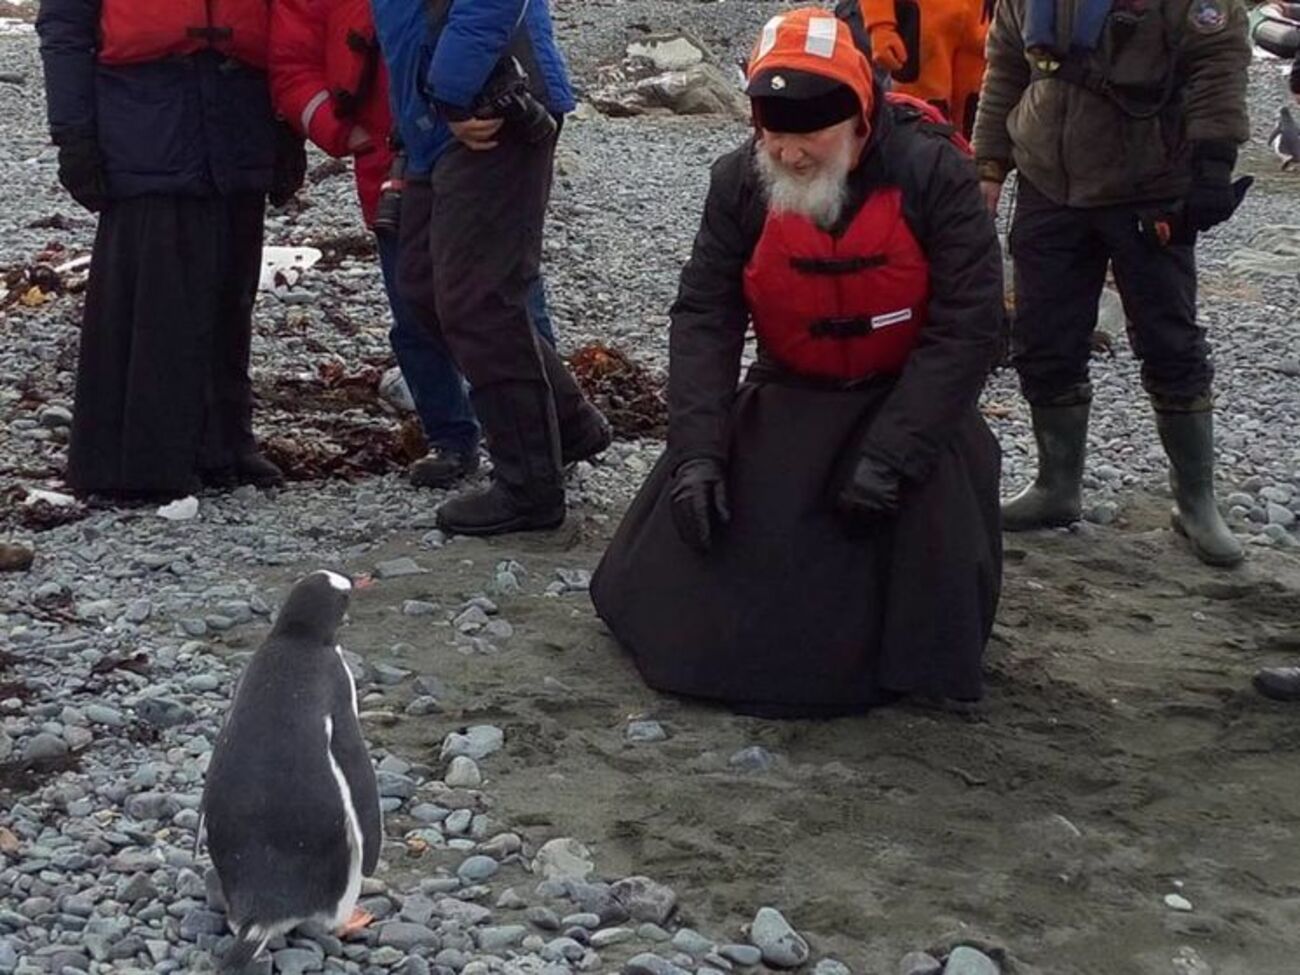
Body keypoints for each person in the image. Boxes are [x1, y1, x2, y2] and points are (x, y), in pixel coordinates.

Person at [590, 8, 1004, 718]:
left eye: (810, 132)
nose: (790, 153)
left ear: (860, 120)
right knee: (697, 574)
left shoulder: (935, 173)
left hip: (905, 401)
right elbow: (704, 318)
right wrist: (697, 453)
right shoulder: (738, 184)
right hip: (789, 394)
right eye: (773, 132)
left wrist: (893, 455)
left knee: (926, 558)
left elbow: (970, 327)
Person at [973, 0, 1252, 567]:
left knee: (1171, 340)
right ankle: (1056, 487)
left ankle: (1195, 502)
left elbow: (1218, 61)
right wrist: (988, 167)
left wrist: (1214, 165)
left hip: (1148, 185)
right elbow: (1005, 63)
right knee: (1043, 337)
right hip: (1047, 183)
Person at [268, 0, 562, 489]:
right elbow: (292, 68)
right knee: (417, 300)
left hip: (466, 126)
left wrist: (454, 98)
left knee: (501, 295)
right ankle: (454, 436)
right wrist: (345, 133)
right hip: (399, 146)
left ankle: (542, 443)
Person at [37, 0, 301, 500]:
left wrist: (288, 128)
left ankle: (224, 444)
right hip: (146, 120)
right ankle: (138, 462)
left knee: (231, 286)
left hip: (237, 113)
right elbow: (65, 26)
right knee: (152, 295)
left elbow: (287, 20)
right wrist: (73, 134)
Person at [372, 0, 610, 534]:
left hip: (492, 105)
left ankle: (529, 488)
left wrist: (454, 93)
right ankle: (569, 425)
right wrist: (422, 111)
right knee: (424, 286)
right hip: (439, 118)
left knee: (478, 299)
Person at [836, 0, 993, 139]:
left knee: (974, 115)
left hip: (979, 30)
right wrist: (881, 25)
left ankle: (963, 165)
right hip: (921, 28)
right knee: (919, 115)